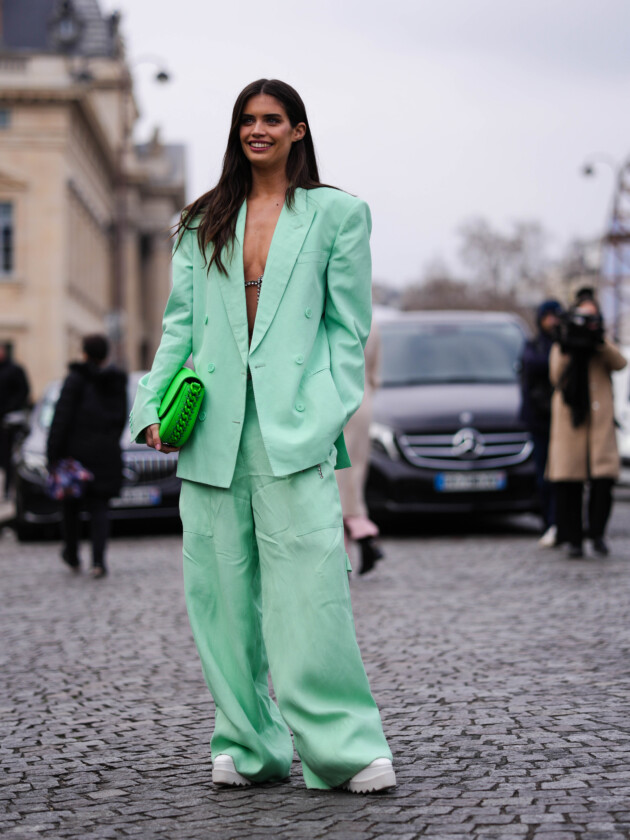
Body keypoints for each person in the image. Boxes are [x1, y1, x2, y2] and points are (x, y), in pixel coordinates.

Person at [130, 79, 395, 793]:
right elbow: (178, 329)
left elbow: (347, 329)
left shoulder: (338, 214)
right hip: (213, 432)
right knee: (219, 597)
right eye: (247, 119)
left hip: (293, 432)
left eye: (272, 120)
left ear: (298, 131)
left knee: (309, 590)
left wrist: (324, 410)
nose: (258, 130)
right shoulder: (199, 221)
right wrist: (152, 408)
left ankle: (342, 746)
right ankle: (249, 745)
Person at [547, 292, 626, 558]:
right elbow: (555, 375)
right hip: (572, 421)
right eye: (583, 315)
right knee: (570, 484)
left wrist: (598, 341)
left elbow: (620, 363)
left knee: (602, 482)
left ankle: (598, 534)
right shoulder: (563, 341)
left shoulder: (601, 341)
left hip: (599, 422)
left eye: (592, 316)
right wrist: (570, 342)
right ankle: (573, 538)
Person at [47, 334, 127, 578]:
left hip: (76, 456)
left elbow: (61, 418)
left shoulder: (75, 379)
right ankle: (98, 562)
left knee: (70, 508)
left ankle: (72, 555)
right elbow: (121, 417)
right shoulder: (116, 381)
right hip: (105, 455)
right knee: (100, 509)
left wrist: (52, 454)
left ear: (84, 353)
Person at [337, 324, 385, 574]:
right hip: (364, 399)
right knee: (354, 474)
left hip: (340, 396)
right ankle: (364, 534)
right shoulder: (373, 324)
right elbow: (376, 373)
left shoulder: (337, 318)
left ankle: (344, 551)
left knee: (336, 477)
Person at [519, 299, 563, 547]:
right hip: (540, 419)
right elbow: (534, 364)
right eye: (549, 316)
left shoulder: (560, 343)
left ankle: (561, 522)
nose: (552, 322)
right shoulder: (534, 345)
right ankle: (549, 522)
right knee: (543, 475)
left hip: (562, 420)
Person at [0, 343, 30, 499]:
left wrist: (10, 408)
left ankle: (8, 490)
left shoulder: (15, 370)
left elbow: (23, 391)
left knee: (9, 456)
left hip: (10, 421)